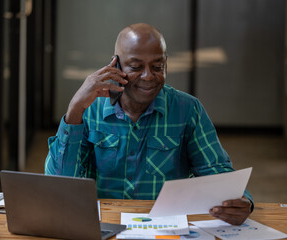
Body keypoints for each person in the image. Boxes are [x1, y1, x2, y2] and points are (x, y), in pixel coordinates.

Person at [45, 23, 253, 225]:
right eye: (136, 67)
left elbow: (215, 170)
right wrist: (74, 110)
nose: (148, 76)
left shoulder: (187, 110)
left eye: (157, 67)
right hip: (103, 226)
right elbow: (60, 185)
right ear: (115, 65)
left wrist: (240, 200)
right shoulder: (90, 110)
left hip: (165, 228)